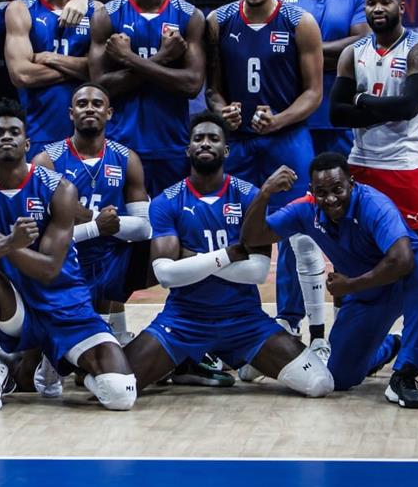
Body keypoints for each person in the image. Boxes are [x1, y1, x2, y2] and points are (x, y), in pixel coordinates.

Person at [121, 112, 333, 398]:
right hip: (184, 320)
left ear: (226, 150)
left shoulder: (249, 195)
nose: (205, 144)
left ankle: (245, 361)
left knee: (320, 384)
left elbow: (257, 272)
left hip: (245, 321)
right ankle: (185, 363)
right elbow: (166, 275)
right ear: (188, 149)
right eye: (198, 139)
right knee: (116, 389)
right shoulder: (166, 201)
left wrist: (194, 257)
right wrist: (229, 255)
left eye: (213, 138)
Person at [0, 98, 137, 413]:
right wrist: (13, 241)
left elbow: (50, 268)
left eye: (14, 132)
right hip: (16, 306)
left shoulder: (59, 189)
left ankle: (62, 362)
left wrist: (0, 239)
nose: (6, 137)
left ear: (27, 143)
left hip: (64, 303)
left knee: (121, 395)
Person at [329, 0, 418, 380]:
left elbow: (407, 107)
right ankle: (350, 340)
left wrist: (360, 102)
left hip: (408, 165)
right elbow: (336, 115)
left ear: (401, 6)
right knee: (351, 256)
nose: (377, 7)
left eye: (384, 1)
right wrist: (375, 107)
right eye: (370, 2)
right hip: (362, 164)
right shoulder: (352, 54)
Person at [244, 152, 418, 408]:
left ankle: (405, 375)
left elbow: (402, 260)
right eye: (321, 192)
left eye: (337, 189)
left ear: (352, 183)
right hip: (368, 293)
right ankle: (390, 345)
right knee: (339, 377)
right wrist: (266, 192)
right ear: (311, 191)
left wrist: (350, 285)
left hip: (404, 278)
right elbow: (252, 237)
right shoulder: (305, 210)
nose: (330, 198)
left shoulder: (374, 204)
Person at [205, 0, 325, 343]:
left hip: (287, 139)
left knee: (293, 227)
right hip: (238, 142)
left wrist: (278, 120)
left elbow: (313, 94)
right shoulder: (218, 21)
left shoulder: (299, 21)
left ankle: (290, 318)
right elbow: (212, 90)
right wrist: (223, 112)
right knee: (230, 226)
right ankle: (233, 317)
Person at [32, 83, 153, 346]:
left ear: (109, 113)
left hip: (111, 259)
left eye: (97, 104)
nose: (90, 108)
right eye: (82, 104)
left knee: (167, 245)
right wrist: (97, 225)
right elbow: (41, 236)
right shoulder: (47, 161)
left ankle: (119, 330)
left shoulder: (126, 158)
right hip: (65, 260)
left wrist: (94, 219)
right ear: (70, 113)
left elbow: (144, 228)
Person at [89, 0, 205, 198]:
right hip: (121, 145)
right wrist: (163, 59)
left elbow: (192, 85)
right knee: (128, 230)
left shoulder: (190, 16)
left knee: (169, 231)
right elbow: (100, 88)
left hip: (172, 144)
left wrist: (129, 59)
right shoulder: (107, 16)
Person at [277, 0, 370, 158]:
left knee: (341, 190)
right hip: (292, 115)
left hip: (343, 114)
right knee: (298, 191)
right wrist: (334, 56)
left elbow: (362, 44)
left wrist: (303, 53)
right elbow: (274, 46)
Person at [5, 0, 99, 158]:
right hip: (38, 132)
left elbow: (101, 71)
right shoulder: (20, 9)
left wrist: (49, 58)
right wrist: (82, 69)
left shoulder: (97, 11)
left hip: (88, 134)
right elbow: (22, 76)